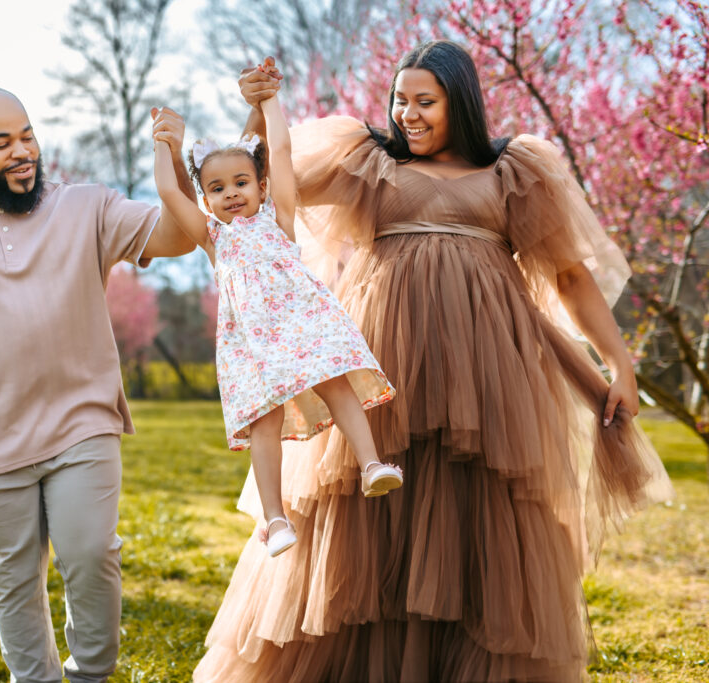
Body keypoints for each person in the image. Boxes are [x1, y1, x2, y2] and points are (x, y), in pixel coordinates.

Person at [193, 44, 673, 682]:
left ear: (461, 102)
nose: (408, 114)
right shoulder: (366, 160)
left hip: (485, 370)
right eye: (400, 100)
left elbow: (570, 276)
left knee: (477, 508)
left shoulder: (512, 171)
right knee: (367, 508)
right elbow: (267, 182)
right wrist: (260, 109)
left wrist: (619, 362)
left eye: (426, 102)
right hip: (380, 358)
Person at [0, 87, 196, 683]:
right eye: (2, 143)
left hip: (82, 422)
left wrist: (173, 159)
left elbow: (180, 238)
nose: (22, 152)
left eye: (27, 136)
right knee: (14, 581)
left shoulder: (85, 206)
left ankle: (90, 675)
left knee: (92, 556)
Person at [152, 64, 397, 559]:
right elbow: (167, 192)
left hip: (304, 325)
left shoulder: (278, 219)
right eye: (217, 189)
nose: (231, 194)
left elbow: (279, 150)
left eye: (241, 182)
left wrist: (269, 102)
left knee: (336, 380)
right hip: (254, 345)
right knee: (265, 424)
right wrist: (164, 144)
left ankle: (372, 464)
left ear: (261, 187)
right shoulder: (214, 238)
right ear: (208, 201)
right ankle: (275, 518)